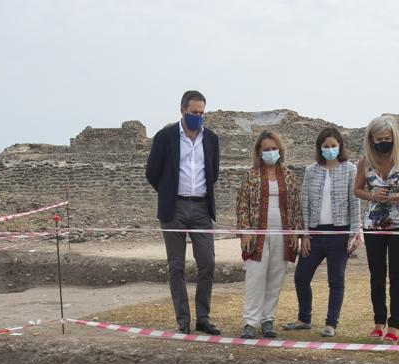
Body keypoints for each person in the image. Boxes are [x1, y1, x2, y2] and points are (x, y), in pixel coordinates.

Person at [145, 89, 222, 335]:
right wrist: (168, 192)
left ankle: (203, 317)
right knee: (176, 266)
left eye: (201, 113)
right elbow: (152, 171)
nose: (197, 117)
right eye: (193, 112)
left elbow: (214, 172)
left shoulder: (211, 138)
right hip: (174, 207)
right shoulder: (165, 136)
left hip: (201, 207)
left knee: (207, 262)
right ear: (182, 110)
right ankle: (183, 320)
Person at [284, 128, 362, 337]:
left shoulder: (350, 169)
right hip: (316, 234)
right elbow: (305, 203)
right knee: (301, 276)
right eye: (325, 146)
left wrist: (355, 233)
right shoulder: (311, 171)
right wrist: (306, 234)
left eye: (333, 146)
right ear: (320, 148)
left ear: (340, 146)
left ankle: (331, 323)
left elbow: (354, 203)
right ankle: (304, 318)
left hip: (340, 232)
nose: (329, 149)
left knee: (336, 279)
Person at [354, 116, 399, 342]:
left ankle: (395, 324)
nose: (383, 142)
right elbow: (357, 190)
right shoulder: (364, 162)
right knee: (377, 274)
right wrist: (372, 195)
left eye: (387, 138)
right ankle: (378, 321)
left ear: (394, 138)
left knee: (398, 274)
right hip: (373, 224)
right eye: (379, 139)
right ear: (371, 140)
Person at [235, 131, 304, 339]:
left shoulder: (289, 176)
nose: (271, 152)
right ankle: (249, 322)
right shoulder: (251, 175)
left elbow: (295, 205)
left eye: (274, 149)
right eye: (267, 149)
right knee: (255, 277)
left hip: (282, 234)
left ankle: (267, 320)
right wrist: (245, 231)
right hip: (257, 234)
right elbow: (242, 205)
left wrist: (295, 231)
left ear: (280, 150)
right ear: (259, 152)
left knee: (275, 278)